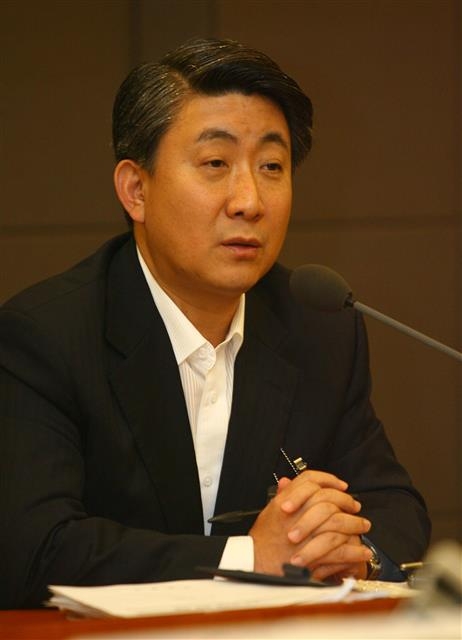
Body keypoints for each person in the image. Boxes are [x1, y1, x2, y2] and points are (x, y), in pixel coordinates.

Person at [0, 38, 430, 609]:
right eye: (215, 164)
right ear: (136, 190)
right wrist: (252, 558)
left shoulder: (320, 329)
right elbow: (34, 550)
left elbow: (394, 509)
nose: (249, 201)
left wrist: (347, 547)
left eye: (271, 167)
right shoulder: (45, 336)